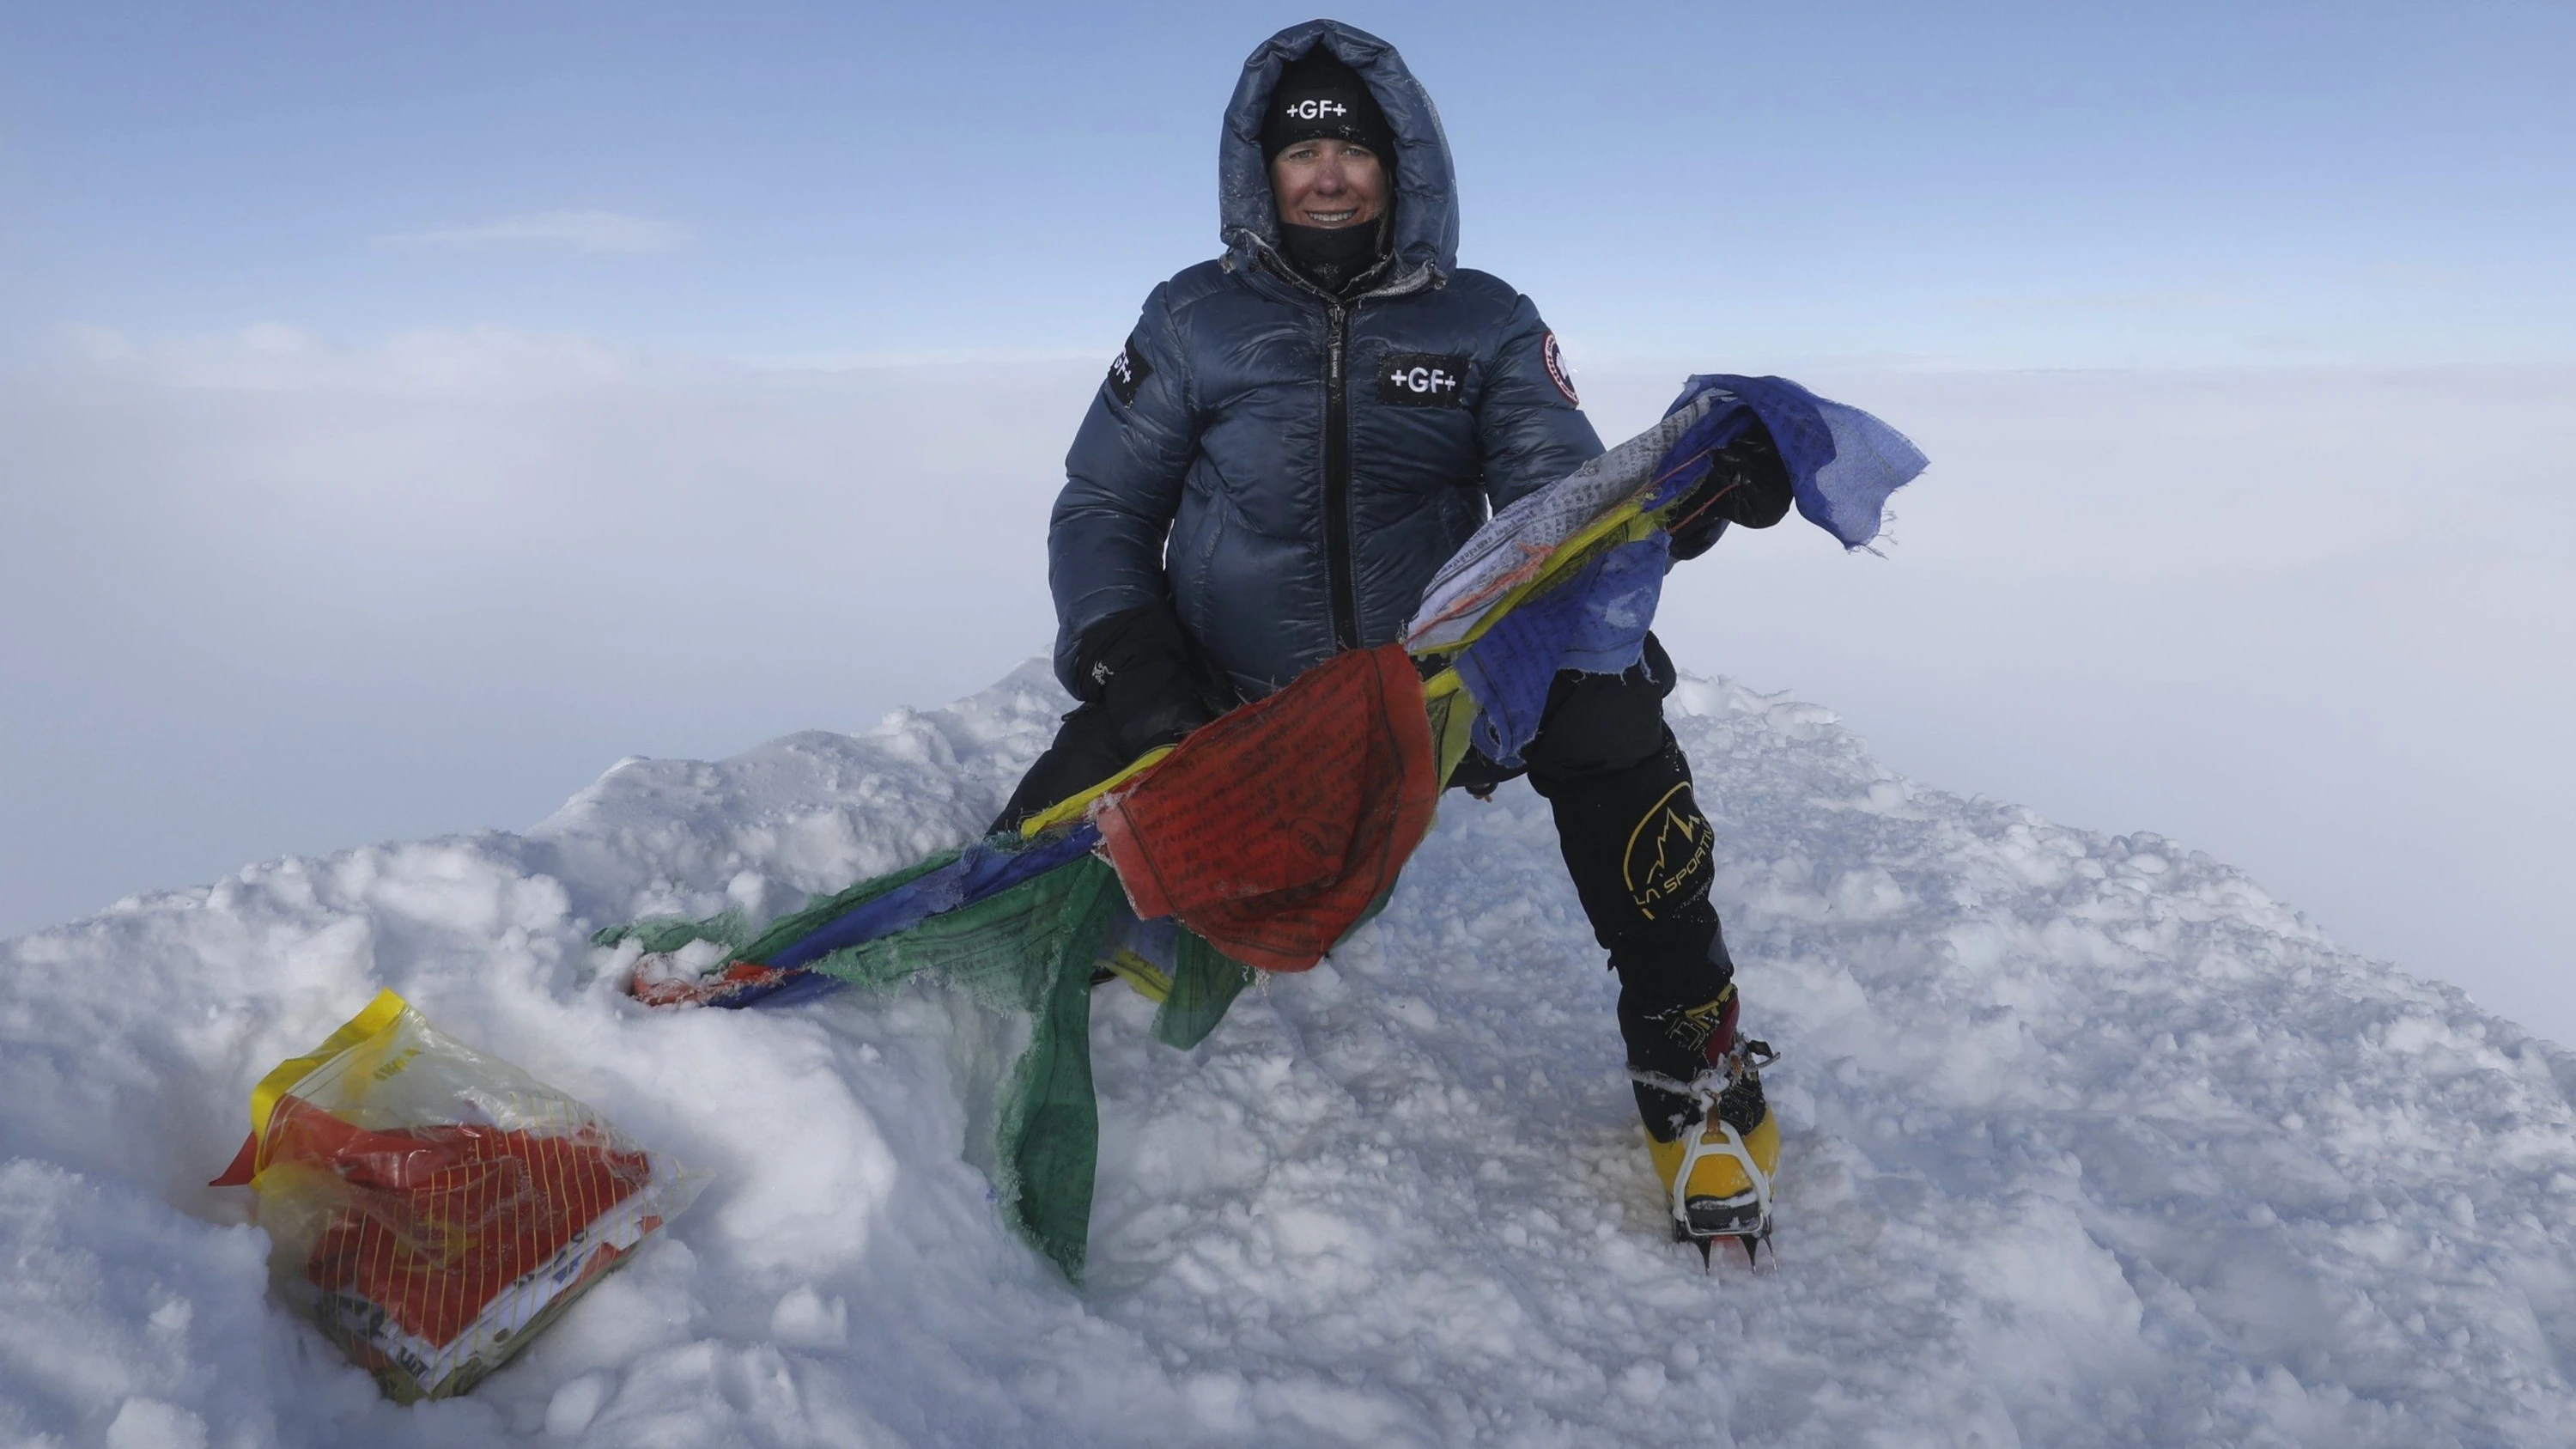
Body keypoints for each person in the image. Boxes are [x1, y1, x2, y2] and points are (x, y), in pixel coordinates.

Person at [994, 20, 1793, 1250]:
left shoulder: (1483, 322)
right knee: (1024, 857)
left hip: (1432, 694)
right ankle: (973, 1015)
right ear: (1259, 168)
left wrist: (1678, 512)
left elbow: (1554, 507)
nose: (1326, 172)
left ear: (1400, 165)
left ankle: (1692, 1061)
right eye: (1301, 147)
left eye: (1352, 149)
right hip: (1227, 688)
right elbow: (1101, 507)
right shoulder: (1191, 319)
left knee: (1614, 701)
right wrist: (1126, 651)